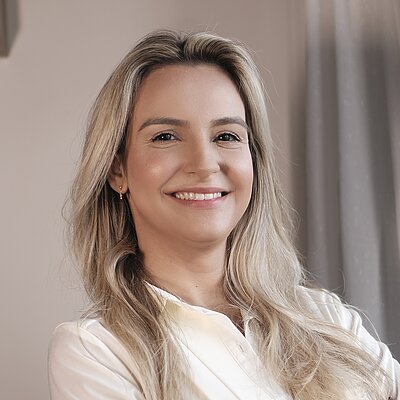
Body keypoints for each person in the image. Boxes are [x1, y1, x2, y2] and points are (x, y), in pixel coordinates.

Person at [48, 30, 399, 400]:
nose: (204, 164)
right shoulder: (95, 352)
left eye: (226, 136)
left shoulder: (325, 317)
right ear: (117, 169)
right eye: (166, 136)